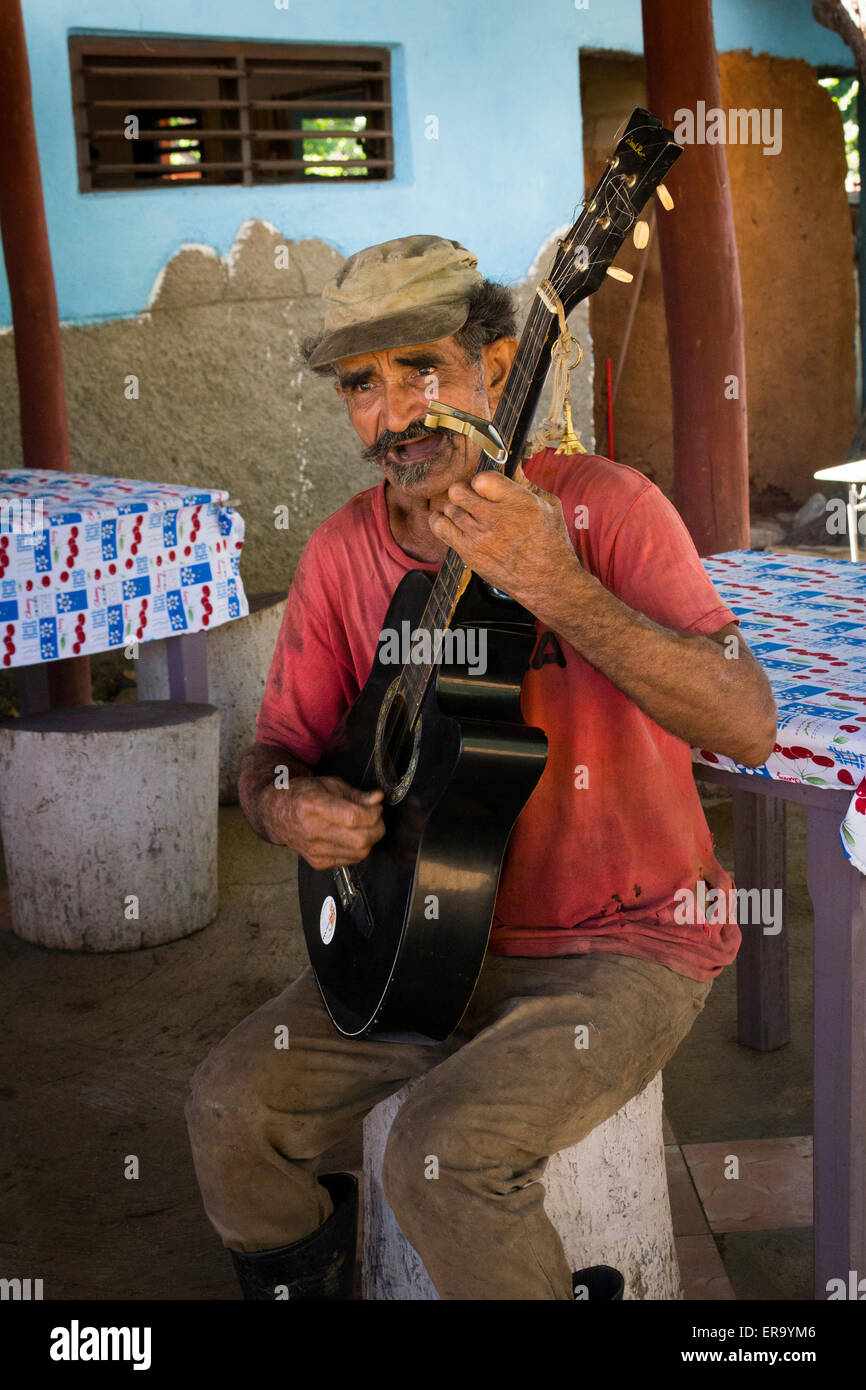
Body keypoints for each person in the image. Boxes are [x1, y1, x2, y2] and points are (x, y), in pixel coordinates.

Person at [185, 234, 777, 1301]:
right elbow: (271, 756)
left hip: (620, 944)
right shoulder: (338, 553)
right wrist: (285, 807)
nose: (394, 413)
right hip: (408, 947)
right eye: (360, 384)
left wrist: (562, 583)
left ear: (495, 371)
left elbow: (744, 722)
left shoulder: (606, 508)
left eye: (422, 370)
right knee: (229, 1108)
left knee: (441, 1156)